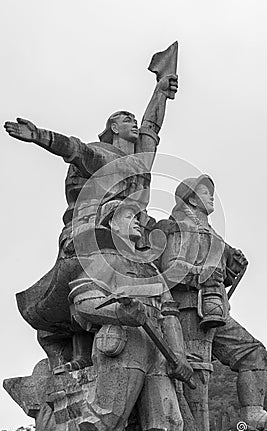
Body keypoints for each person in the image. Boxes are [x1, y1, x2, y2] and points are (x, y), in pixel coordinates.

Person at [4, 74, 178, 372]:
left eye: (133, 118)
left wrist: (161, 89)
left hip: (131, 232)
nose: (134, 122)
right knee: (86, 281)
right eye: (127, 119)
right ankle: (80, 352)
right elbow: (73, 148)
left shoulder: (140, 160)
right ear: (113, 128)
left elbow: (152, 125)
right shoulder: (102, 155)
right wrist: (39, 136)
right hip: (94, 225)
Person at [158, 174, 267, 431]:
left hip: (216, 310)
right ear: (192, 198)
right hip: (187, 310)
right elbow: (169, 271)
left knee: (254, 353)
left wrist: (233, 266)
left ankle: (253, 414)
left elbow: (223, 274)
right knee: (196, 371)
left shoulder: (215, 237)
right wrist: (200, 274)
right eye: (205, 192)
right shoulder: (176, 227)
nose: (211, 197)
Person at [68, 199, 193, 431]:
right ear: (110, 224)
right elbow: (82, 301)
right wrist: (120, 313)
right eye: (128, 216)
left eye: (138, 217)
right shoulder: (102, 260)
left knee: (168, 427)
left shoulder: (150, 269)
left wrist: (178, 356)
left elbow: (169, 312)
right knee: (106, 420)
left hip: (158, 352)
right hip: (123, 345)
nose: (137, 221)